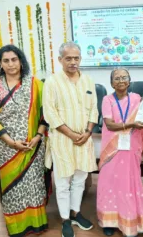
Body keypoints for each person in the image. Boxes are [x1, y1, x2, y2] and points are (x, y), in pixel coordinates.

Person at [0, 45, 49, 236]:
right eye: (6, 60)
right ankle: (17, 227)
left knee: (35, 185)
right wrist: (11, 142)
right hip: (7, 149)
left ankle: (37, 223)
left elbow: (45, 116)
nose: (11, 64)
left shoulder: (36, 84)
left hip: (33, 147)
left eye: (14, 59)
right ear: (0, 64)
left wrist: (37, 137)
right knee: (12, 189)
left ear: (21, 61)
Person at [43, 41, 98, 237]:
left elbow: (94, 109)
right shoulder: (52, 82)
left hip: (84, 139)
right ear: (60, 60)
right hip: (62, 140)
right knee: (63, 180)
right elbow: (50, 113)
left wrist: (88, 132)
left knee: (80, 179)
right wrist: (72, 134)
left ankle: (76, 213)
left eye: (76, 58)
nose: (73, 62)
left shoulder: (88, 80)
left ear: (80, 59)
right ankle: (65, 219)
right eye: (68, 58)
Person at [97, 67, 143, 237]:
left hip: (130, 147)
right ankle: (108, 221)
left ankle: (131, 218)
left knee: (129, 182)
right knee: (109, 182)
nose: (121, 81)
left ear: (130, 80)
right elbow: (110, 124)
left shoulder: (137, 99)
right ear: (111, 83)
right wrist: (131, 125)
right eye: (117, 78)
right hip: (112, 148)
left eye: (124, 77)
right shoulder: (107, 100)